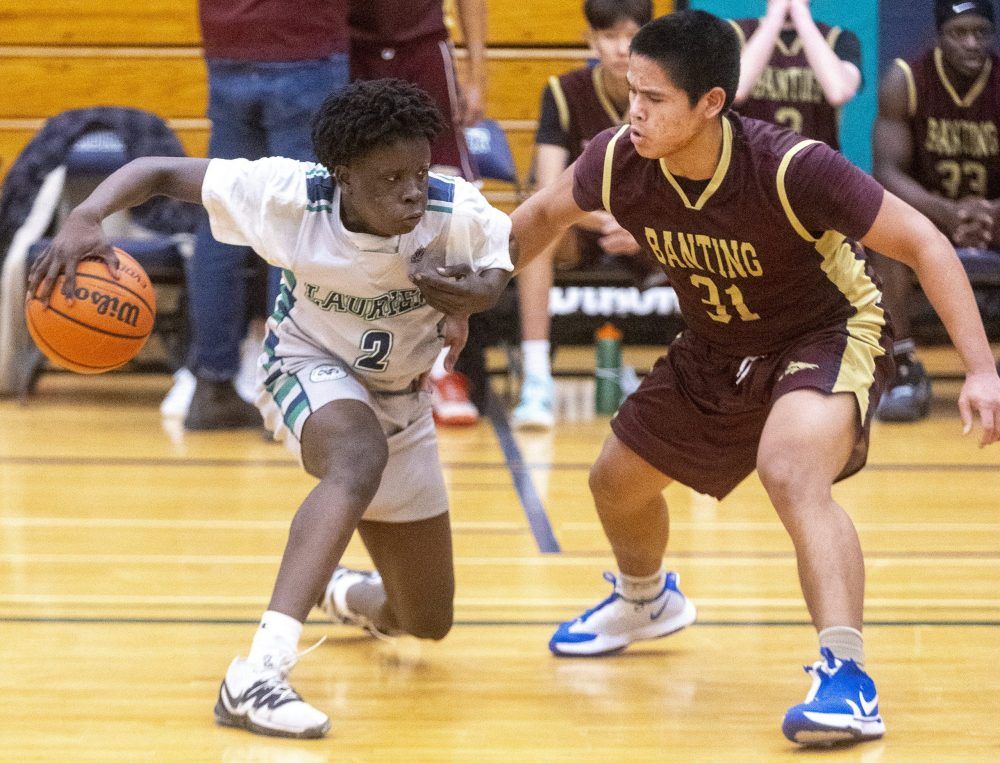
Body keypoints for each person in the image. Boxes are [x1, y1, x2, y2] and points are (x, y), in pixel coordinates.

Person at [476, 9, 1000, 747]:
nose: (635, 113)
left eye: (654, 99)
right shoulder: (618, 158)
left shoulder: (792, 166)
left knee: (789, 467)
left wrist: (980, 368)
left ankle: (848, 678)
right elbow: (535, 219)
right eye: (632, 93)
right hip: (718, 343)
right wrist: (468, 296)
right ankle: (646, 599)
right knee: (614, 482)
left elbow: (924, 241)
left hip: (827, 330)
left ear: (711, 104)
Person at [28, 80, 513, 739]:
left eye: (419, 173)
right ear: (341, 174)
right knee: (355, 453)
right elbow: (156, 170)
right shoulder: (289, 194)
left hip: (402, 397)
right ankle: (258, 671)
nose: (411, 191)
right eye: (391, 177)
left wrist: (466, 296)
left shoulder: (451, 209)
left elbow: (496, 272)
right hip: (306, 364)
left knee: (425, 618)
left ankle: (340, 589)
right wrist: (88, 215)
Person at [165, 0, 351, 431]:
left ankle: (212, 384)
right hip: (305, 45)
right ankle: (286, 395)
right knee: (295, 222)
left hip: (228, 48)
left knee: (222, 214)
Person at [512, 0, 654, 431]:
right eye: (609, 36)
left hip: (651, 229)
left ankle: (702, 376)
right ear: (590, 40)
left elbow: (686, 190)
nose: (620, 48)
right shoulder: (563, 92)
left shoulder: (667, 94)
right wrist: (605, 221)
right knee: (539, 231)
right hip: (586, 226)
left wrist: (642, 230)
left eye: (631, 36)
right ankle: (537, 380)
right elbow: (548, 190)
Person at [349, 0, 491, 426]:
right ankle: (357, 363)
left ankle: (443, 370)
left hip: (424, 48)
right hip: (352, 50)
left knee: (452, 209)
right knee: (353, 202)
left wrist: (477, 74)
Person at [871, 0, 1000, 421]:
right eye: (959, 33)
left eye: (981, 32)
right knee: (881, 235)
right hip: (929, 218)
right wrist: (947, 214)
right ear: (939, 36)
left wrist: (990, 214)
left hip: (993, 219)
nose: (971, 43)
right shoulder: (906, 80)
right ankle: (902, 366)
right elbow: (887, 171)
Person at [730, 0, 862, 149]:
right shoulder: (734, 33)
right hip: (749, 166)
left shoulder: (839, 39)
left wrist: (801, 14)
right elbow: (736, 89)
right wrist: (775, 15)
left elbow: (839, 92)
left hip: (817, 167)